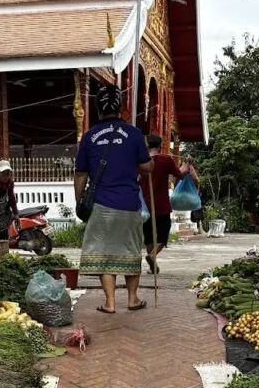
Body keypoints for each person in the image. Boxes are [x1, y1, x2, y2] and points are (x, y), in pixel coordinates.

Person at [74, 84, 154, 313]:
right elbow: (147, 167)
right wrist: (151, 162)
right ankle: (132, 299)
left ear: (98, 109)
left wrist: (79, 200)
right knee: (130, 250)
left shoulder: (89, 137)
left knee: (104, 251)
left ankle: (110, 303)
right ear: (121, 107)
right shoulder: (134, 134)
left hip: (101, 203)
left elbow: (81, 173)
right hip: (129, 203)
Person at [140, 135, 198, 275]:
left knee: (148, 236)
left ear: (146, 146)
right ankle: (153, 256)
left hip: (144, 206)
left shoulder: (140, 161)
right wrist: (186, 164)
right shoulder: (166, 160)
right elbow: (180, 174)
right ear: (160, 147)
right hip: (162, 204)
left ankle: (152, 263)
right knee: (162, 235)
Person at [0, 160, 19, 242]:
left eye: (8, 173)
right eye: (3, 173)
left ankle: (3, 253)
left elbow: (12, 198)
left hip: (3, 215)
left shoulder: (9, 184)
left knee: (4, 237)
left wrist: (16, 213)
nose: (5, 176)